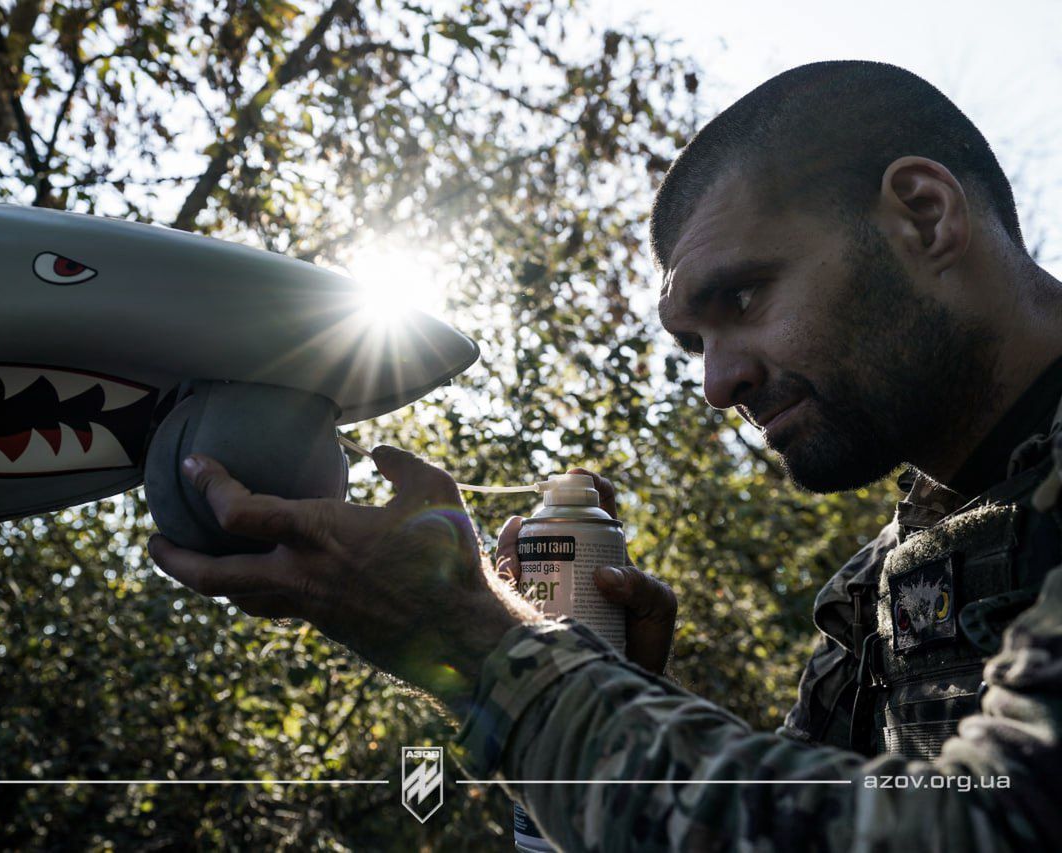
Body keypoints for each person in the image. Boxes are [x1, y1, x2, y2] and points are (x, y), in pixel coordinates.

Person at [149, 61, 1062, 849]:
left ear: (925, 215)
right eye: (693, 344)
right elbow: (786, 810)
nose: (718, 384)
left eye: (742, 296)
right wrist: (612, 690)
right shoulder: (892, 574)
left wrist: (475, 643)